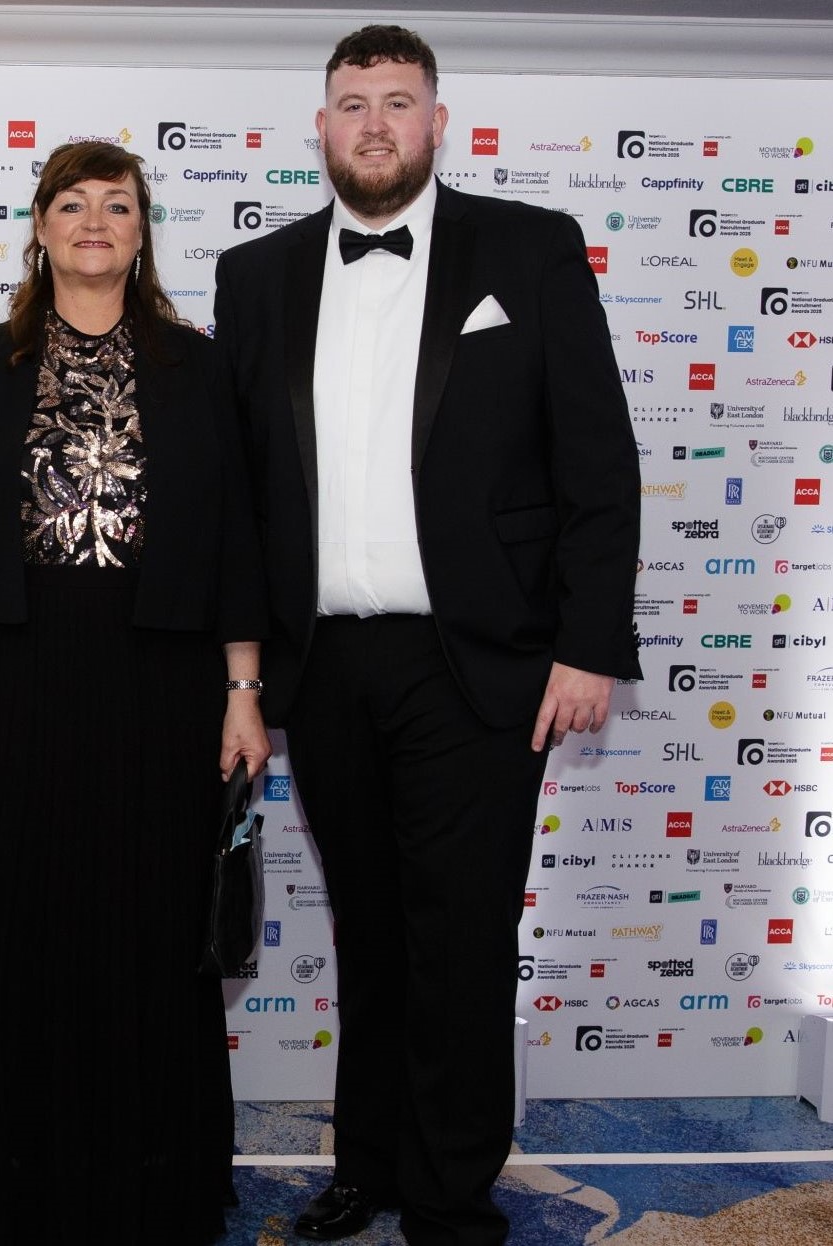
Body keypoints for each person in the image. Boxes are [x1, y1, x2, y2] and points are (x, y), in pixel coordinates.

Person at [214, 25, 642, 1246]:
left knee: (460, 930)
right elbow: (243, 499)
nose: (374, 125)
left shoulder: (531, 248)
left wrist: (587, 643)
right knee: (371, 926)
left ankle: (452, 1192)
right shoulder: (258, 275)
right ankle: (372, 1164)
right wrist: (240, 676)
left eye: (397, 103)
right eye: (351, 103)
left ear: (438, 122)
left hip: (481, 659)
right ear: (322, 127)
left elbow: (597, 466)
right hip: (326, 663)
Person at [0, 140, 270, 1246]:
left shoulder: (198, 366)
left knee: (148, 931)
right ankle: (0, 1180)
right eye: (73, 203)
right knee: (6, 929)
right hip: (4, 678)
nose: (95, 221)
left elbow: (237, 544)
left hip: (157, 681)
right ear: (41, 226)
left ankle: (147, 1183)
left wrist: (242, 689)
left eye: (117, 204)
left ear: (143, 229)